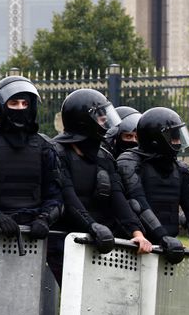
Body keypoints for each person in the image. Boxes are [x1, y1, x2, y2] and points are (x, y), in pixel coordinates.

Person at [51, 89, 152, 282]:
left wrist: (137, 233)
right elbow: (67, 196)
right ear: (83, 121)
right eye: (100, 119)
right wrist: (93, 226)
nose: (105, 124)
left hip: (99, 240)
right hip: (62, 241)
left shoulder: (103, 156)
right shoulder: (55, 152)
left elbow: (117, 196)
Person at [117, 107, 189, 267]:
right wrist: (162, 237)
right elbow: (138, 202)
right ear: (155, 137)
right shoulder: (129, 162)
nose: (177, 141)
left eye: (177, 136)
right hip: (136, 245)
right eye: (172, 137)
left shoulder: (180, 169)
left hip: (168, 247)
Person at [0, 76, 62, 239]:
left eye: (25, 104)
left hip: (32, 234)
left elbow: (55, 195)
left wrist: (44, 218)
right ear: (2, 107)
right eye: (14, 103)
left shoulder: (44, 146)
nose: (20, 108)